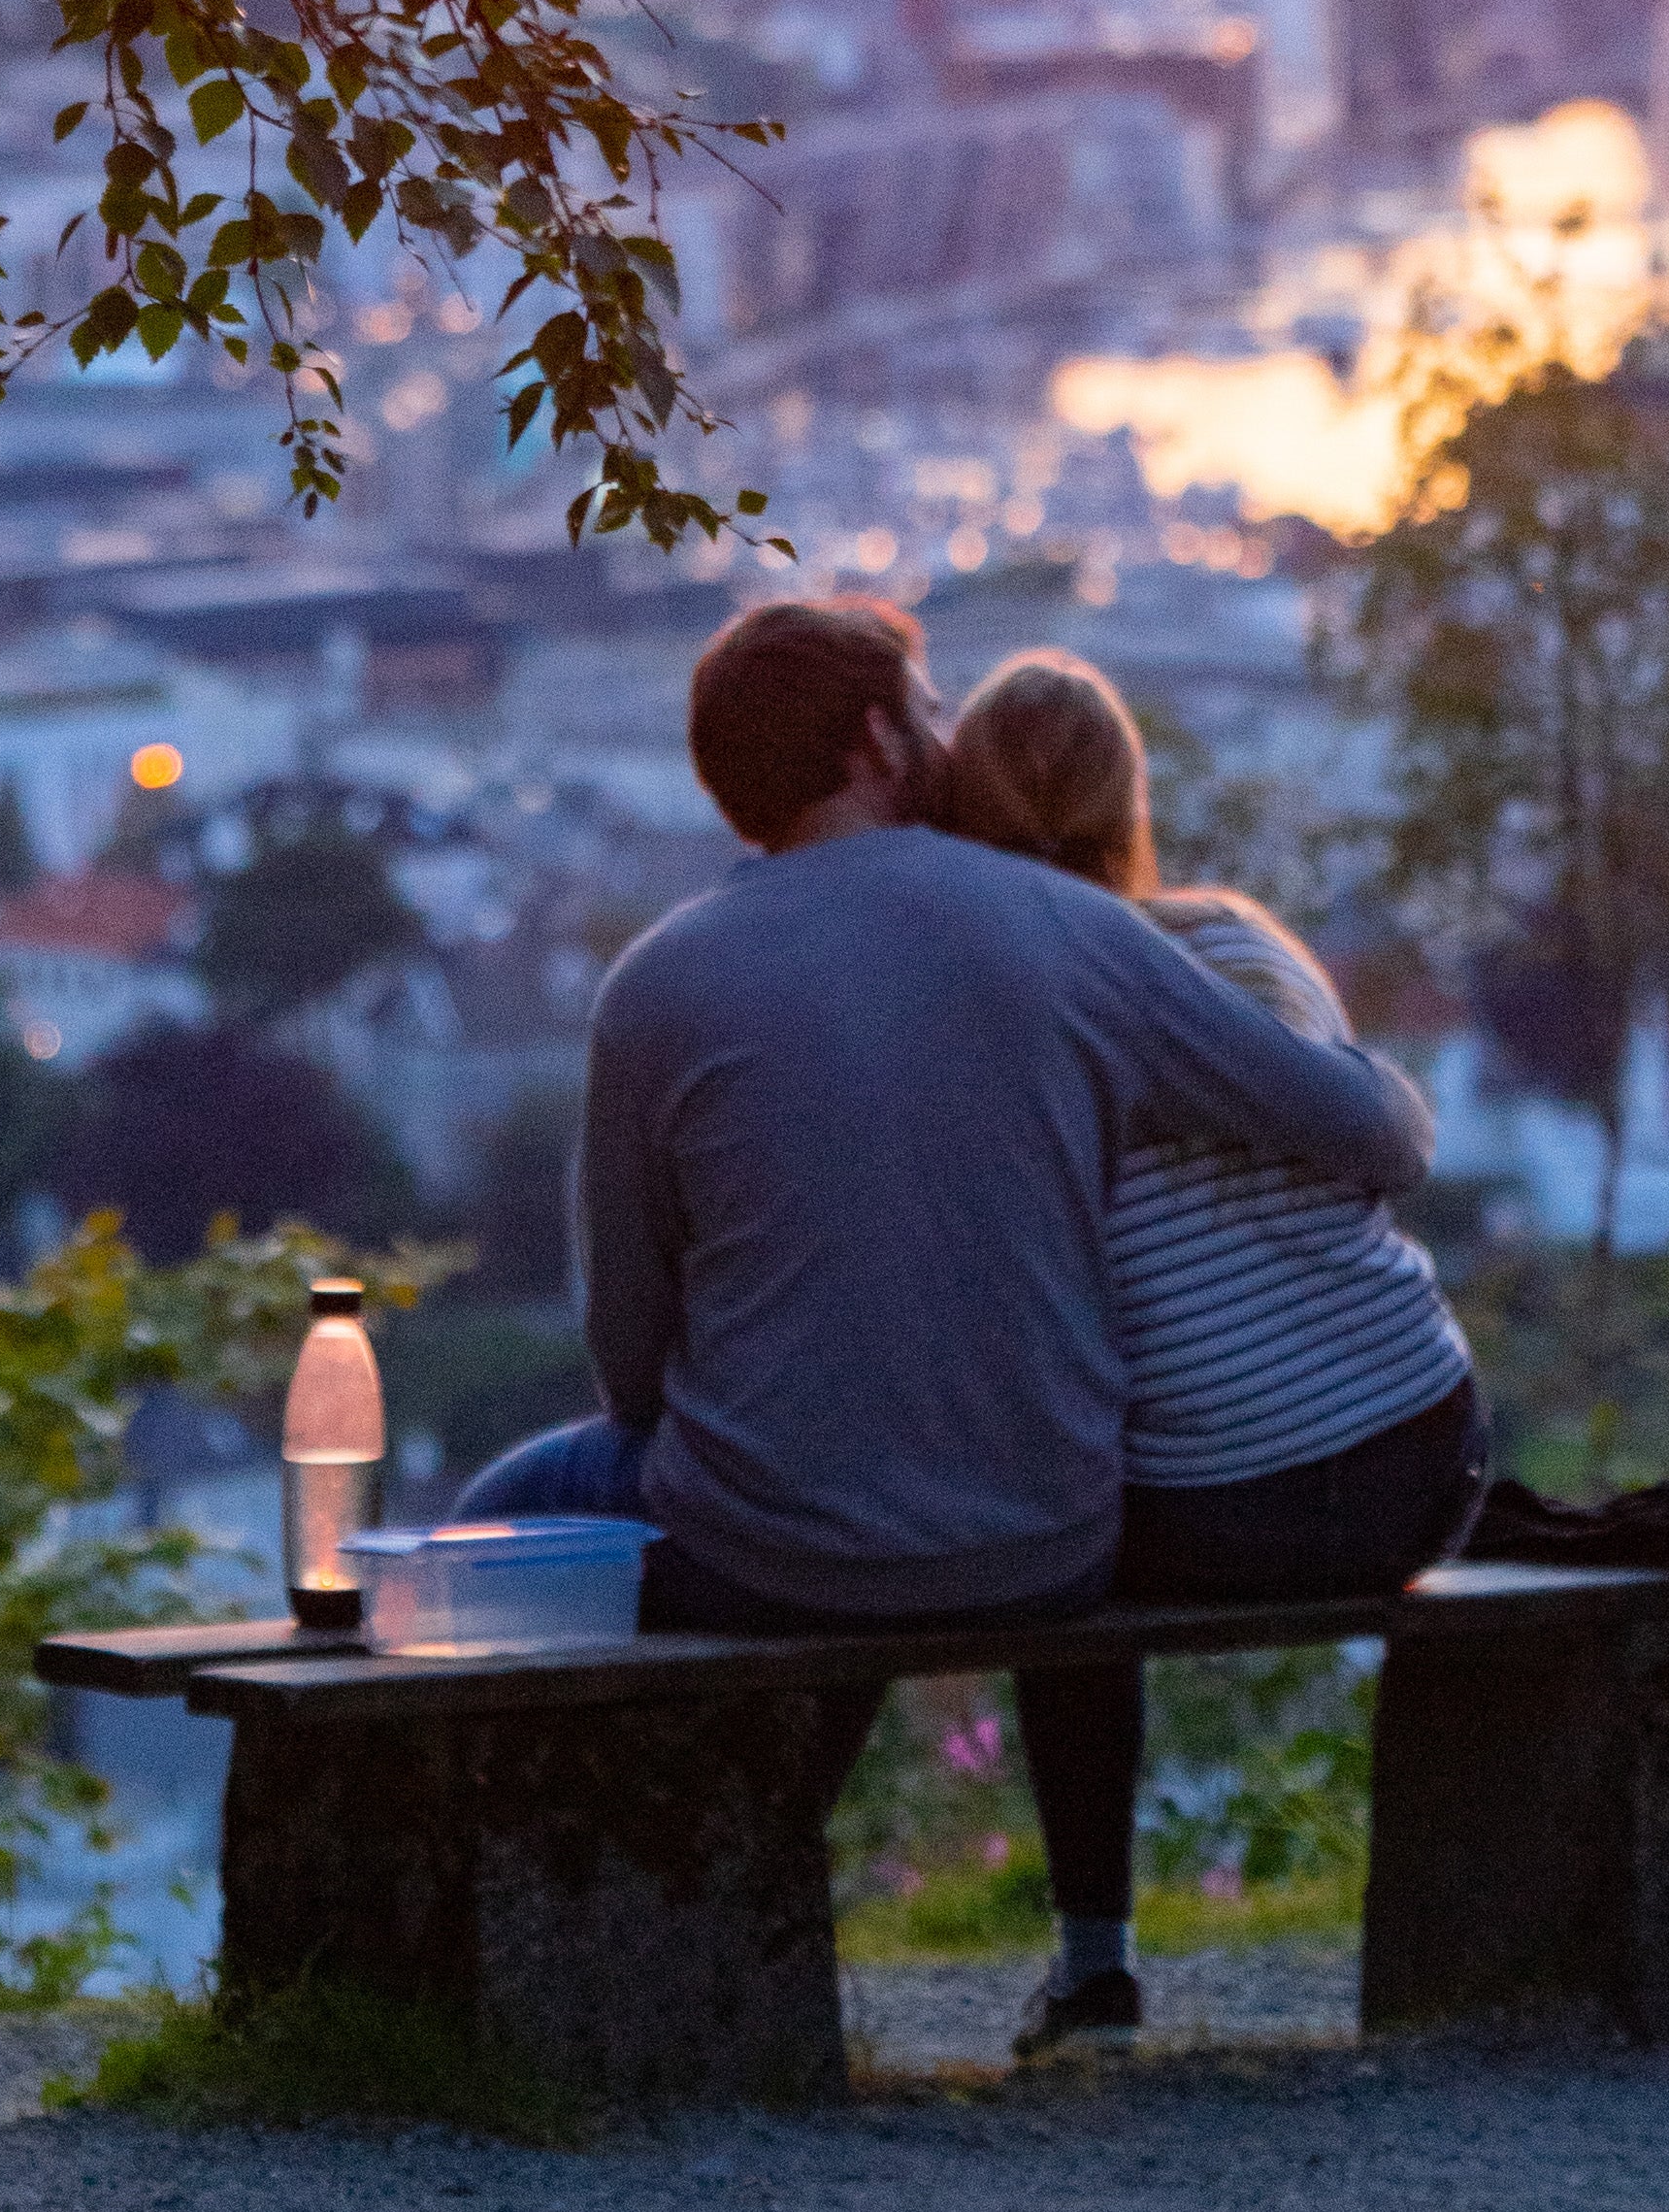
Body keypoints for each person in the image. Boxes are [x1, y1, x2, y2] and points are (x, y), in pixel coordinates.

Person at [455, 597, 1437, 1892]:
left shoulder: (654, 987)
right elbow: (1361, 1129)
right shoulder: (1065, 927)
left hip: (768, 1553)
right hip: (1044, 1546)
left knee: (491, 1522)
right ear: (874, 741)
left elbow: (629, 1366)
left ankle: (537, 1903)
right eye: (925, 710)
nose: (942, 737)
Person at [945, 648, 1484, 2058]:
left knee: (1054, 1547)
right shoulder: (1244, 947)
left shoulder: (1006, 1033)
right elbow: (1369, 1164)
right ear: (1133, 805)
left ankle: (1093, 1961)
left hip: (1216, 1510)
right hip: (1421, 1447)